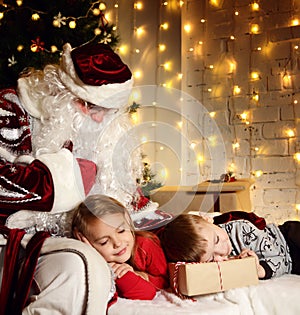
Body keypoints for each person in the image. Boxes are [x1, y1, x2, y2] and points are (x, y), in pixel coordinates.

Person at [0, 42, 138, 314]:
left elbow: (131, 205)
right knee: (82, 268)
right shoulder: (11, 108)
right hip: (15, 240)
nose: (98, 119)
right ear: (60, 90)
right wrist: (58, 181)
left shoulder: (109, 135)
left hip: (70, 243)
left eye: (107, 110)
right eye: (88, 105)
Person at [72, 194, 169, 305]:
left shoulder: (146, 244)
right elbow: (145, 293)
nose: (117, 243)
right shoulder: (106, 265)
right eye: (104, 242)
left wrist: (142, 276)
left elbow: (165, 281)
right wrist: (91, 253)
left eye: (121, 231)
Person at [159, 212, 300, 280]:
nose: (222, 251)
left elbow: (281, 259)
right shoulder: (220, 263)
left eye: (216, 240)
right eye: (211, 258)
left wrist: (259, 270)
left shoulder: (240, 229)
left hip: (288, 239)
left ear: (209, 221)